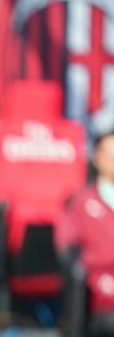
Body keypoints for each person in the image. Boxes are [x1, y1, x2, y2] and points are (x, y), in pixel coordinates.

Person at [57, 129, 114, 314]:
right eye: (109, 153)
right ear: (97, 157)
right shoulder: (81, 203)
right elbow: (68, 248)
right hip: (99, 288)